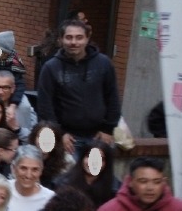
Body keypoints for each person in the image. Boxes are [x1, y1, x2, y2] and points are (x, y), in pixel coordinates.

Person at [36, 18, 121, 155]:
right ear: (61, 40)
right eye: (69, 37)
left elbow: (113, 98)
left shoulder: (104, 64)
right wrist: (59, 134)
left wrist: (108, 130)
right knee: (66, 176)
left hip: (98, 137)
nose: (74, 42)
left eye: (79, 37)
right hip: (67, 140)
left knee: (97, 175)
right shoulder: (51, 68)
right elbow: (45, 107)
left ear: (87, 39)